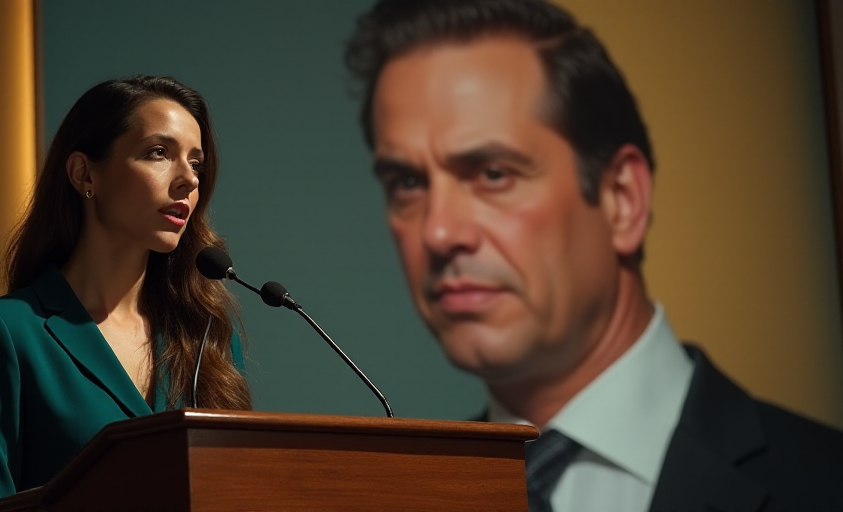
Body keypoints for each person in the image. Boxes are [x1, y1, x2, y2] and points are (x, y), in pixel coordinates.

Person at [345, 1, 843, 511]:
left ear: (621, 200)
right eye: (407, 183)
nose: (439, 230)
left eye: (493, 173)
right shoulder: (400, 497)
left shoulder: (826, 483)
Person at [0, 75, 251, 512]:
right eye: (159, 153)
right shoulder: (3, 334)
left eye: (196, 163)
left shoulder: (207, 339)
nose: (187, 179)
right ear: (85, 173)